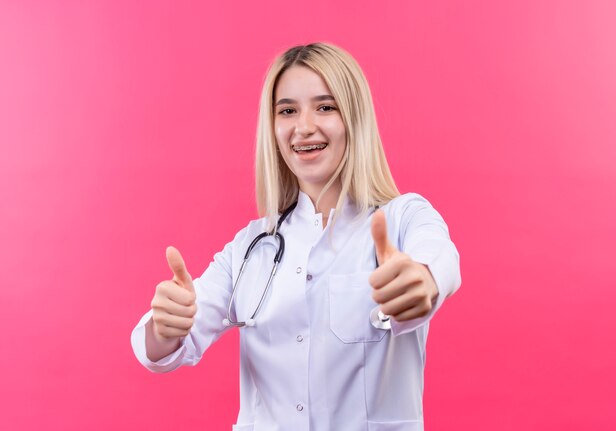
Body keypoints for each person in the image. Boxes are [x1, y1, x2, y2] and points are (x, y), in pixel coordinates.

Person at [131, 42, 461, 431]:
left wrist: (421, 281)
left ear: (355, 118)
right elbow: (165, 348)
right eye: (287, 110)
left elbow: (441, 260)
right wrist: (165, 325)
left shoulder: (403, 217)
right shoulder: (252, 246)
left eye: (325, 107)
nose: (304, 127)